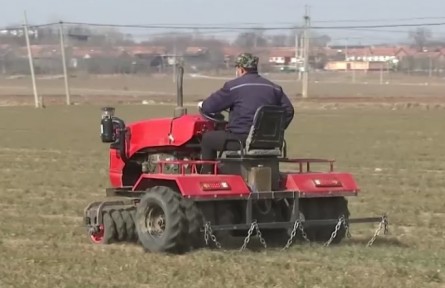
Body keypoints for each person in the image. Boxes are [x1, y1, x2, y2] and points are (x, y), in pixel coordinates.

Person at [198, 52, 295, 173]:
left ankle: (207, 174)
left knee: (207, 139)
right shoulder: (274, 88)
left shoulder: (233, 87)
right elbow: (289, 111)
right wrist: (275, 131)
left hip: (240, 140)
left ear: (241, 69)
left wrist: (202, 104)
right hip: (269, 142)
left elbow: (208, 107)